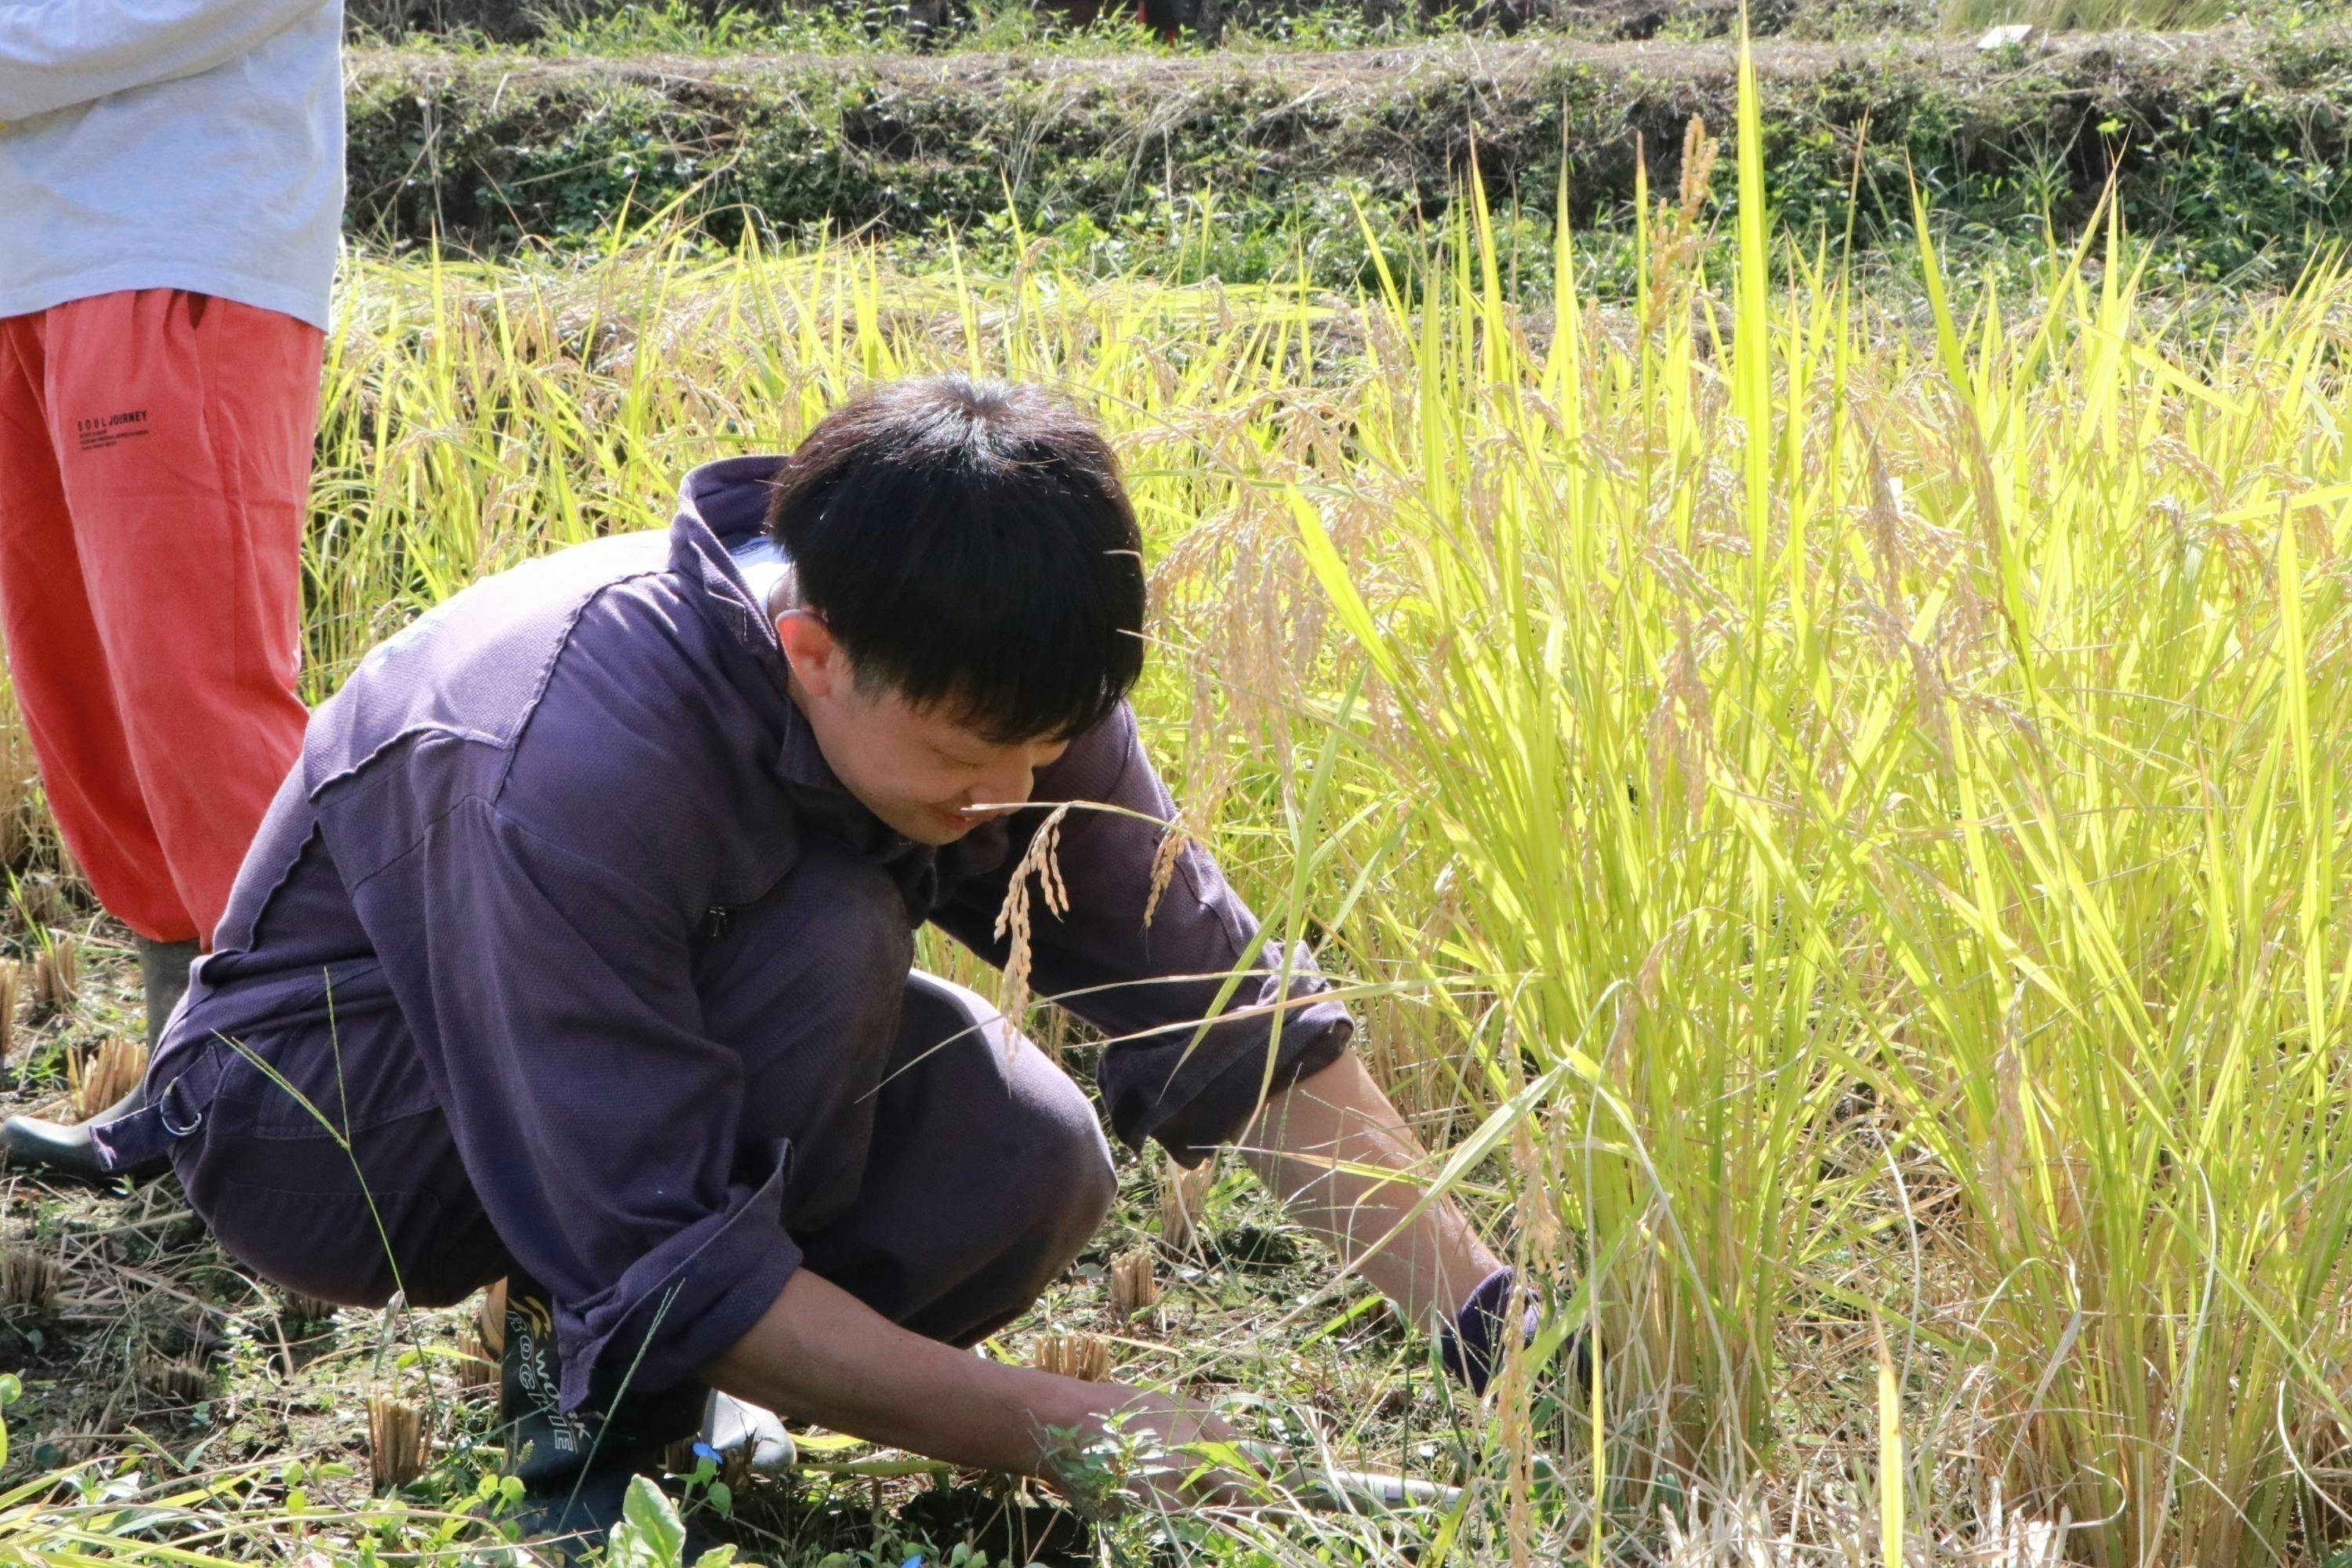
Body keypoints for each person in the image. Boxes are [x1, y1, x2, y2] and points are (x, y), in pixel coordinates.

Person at [98, 376, 1540, 1539]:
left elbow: (1225, 1022)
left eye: (1045, 751)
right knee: (832, 926)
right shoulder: (561, 758)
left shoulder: (1006, 679)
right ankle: (622, 1411)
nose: (1011, 792)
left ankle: (636, 1332)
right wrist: (1072, 1432)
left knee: (1028, 1164)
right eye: (971, 759)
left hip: (625, 1060)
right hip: (331, 1117)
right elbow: (663, 1249)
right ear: (810, 650)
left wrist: (1495, 1332)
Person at [0, 0, 344, 1176]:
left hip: (176, 238)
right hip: (25, 258)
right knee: (85, 708)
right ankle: (193, 1101)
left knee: (192, 698)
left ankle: (313, 1125)